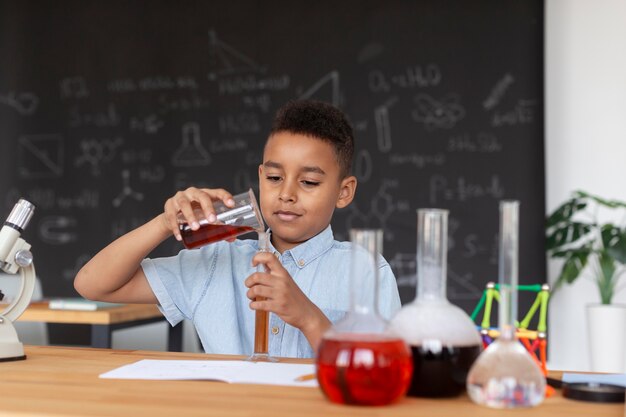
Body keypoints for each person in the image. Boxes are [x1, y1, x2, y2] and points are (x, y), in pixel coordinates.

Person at [75, 100, 401, 358]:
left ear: (344, 192)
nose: (286, 193)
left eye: (309, 182)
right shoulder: (218, 261)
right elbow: (93, 284)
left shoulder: (366, 271)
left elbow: (383, 374)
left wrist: (309, 318)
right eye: (274, 178)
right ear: (260, 178)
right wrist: (164, 223)